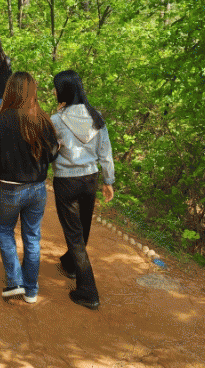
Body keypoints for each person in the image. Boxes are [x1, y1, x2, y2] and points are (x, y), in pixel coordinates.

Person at [0, 72, 59, 303]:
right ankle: (31, 290)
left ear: (10, 91)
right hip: (38, 189)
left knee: (4, 230)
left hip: (10, 189)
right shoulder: (41, 119)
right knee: (32, 237)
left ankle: (15, 282)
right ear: (33, 92)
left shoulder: (0, 120)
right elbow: (52, 154)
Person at [51, 69, 115, 311]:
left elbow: (49, 150)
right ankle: (70, 264)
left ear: (64, 91)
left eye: (56, 87)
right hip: (90, 179)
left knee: (74, 234)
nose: (54, 91)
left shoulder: (56, 120)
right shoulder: (96, 117)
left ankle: (88, 290)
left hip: (66, 180)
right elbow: (105, 151)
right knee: (82, 228)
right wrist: (108, 180)